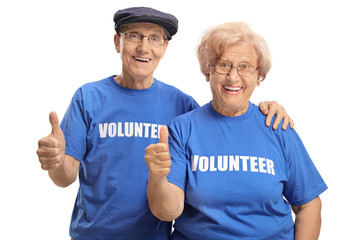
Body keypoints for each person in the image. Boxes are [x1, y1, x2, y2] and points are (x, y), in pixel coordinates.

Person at [37, 7, 293, 240]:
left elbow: (225, 115)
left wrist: (265, 108)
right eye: (134, 36)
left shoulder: (182, 105)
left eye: (155, 38)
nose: (144, 48)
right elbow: (65, 177)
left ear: (165, 47)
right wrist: (56, 161)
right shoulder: (89, 98)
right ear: (118, 42)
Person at [145, 21, 327, 240]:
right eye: (223, 65)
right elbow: (168, 212)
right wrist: (157, 177)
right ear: (208, 71)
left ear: (259, 76)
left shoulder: (277, 126)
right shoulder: (182, 128)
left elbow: (308, 205)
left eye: (245, 67)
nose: (233, 77)